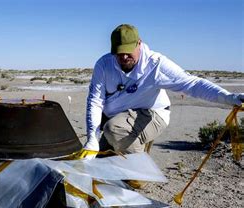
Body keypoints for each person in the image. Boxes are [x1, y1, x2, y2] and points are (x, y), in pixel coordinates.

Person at [85, 24, 244, 159]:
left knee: (114, 130)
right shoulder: (104, 65)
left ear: (139, 44)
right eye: (119, 53)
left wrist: (229, 97)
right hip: (118, 117)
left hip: (151, 113)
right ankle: (130, 151)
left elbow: (193, 84)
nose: (124, 57)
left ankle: (140, 174)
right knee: (102, 159)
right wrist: (92, 137)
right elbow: (95, 101)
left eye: (128, 51)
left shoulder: (156, 64)